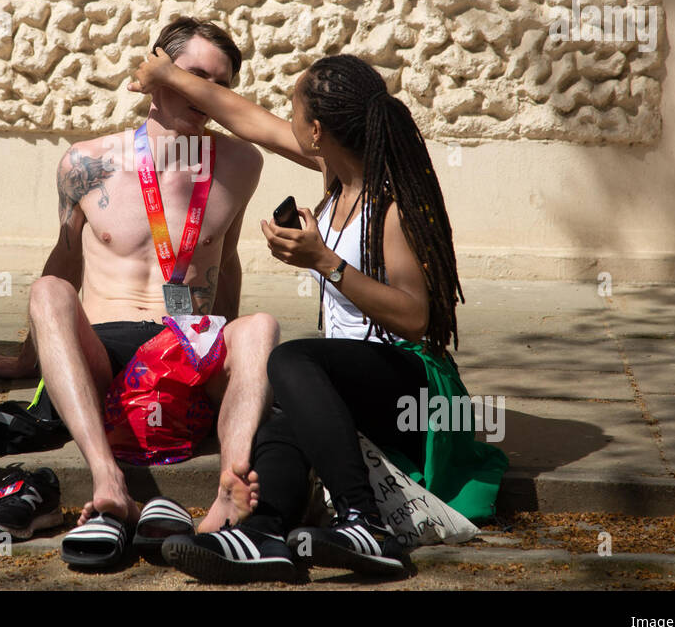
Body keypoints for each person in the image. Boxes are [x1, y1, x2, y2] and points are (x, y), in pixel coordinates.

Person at [129, 48, 508, 583]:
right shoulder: (335, 173)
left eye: (296, 111)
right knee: (284, 418)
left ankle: (365, 522)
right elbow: (249, 120)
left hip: (412, 381)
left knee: (292, 359)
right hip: (354, 378)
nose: (287, 121)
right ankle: (264, 534)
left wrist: (324, 261)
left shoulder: (390, 200)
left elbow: (415, 318)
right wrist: (168, 75)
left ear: (317, 131)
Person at [0, 17, 280, 555]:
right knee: (47, 288)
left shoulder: (240, 162)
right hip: (107, 346)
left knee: (261, 327)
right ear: (157, 66)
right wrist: (31, 358)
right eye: (195, 76)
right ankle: (107, 480)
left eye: (221, 85)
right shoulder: (87, 162)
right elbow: (65, 261)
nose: (206, 94)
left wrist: (230, 366)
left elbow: (226, 259)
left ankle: (230, 486)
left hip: (188, 344)